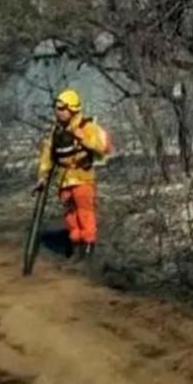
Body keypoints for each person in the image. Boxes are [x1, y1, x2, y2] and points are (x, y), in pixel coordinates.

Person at [36, 88, 113, 262]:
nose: (59, 112)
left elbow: (102, 147)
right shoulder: (56, 131)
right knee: (70, 215)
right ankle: (76, 244)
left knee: (84, 211)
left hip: (82, 176)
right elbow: (48, 155)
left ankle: (88, 246)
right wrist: (42, 175)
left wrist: (83, 139)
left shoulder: (86, 127)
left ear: (72, 109)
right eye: (57, 109)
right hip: (64, 180)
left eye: (62, 109)